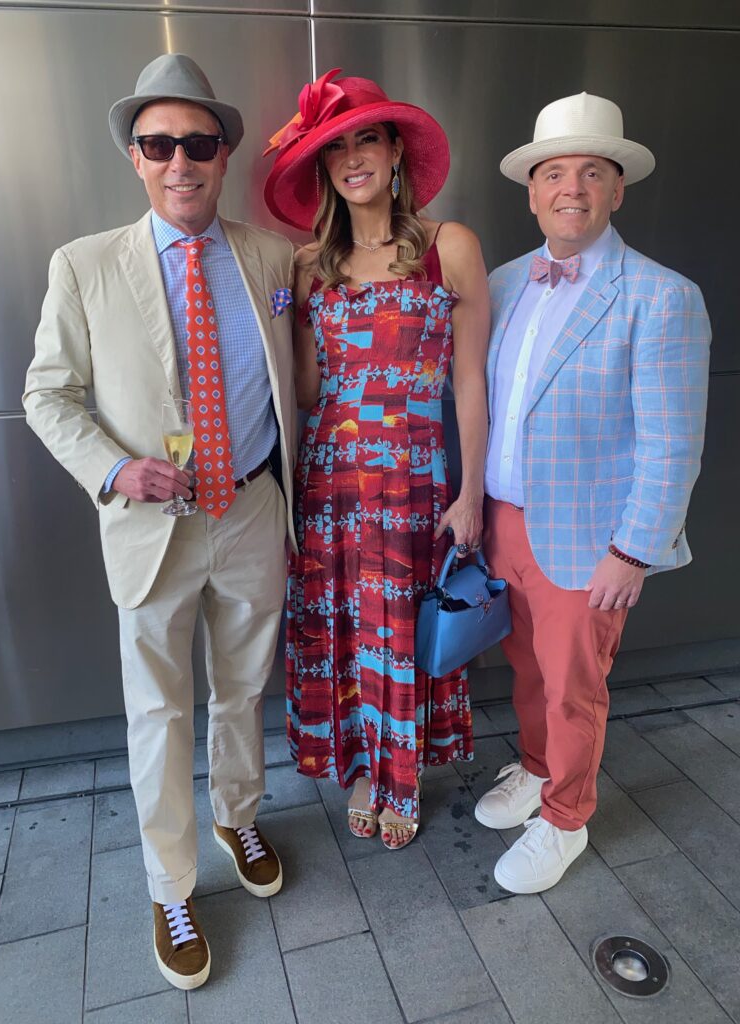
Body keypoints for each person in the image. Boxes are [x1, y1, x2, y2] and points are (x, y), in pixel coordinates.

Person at [23, 53, 298, 989]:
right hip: (153, 528)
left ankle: (237, 812)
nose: (181, 161)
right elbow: (48, 396)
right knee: (157, 711)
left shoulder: (270, 256)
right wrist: (112, 468)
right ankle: (170, 882)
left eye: (198, 143)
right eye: (158, 144)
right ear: (134, 159)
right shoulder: (85, 265)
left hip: (254, 506)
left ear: (224, 154)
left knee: (244, 689)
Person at [474, 92, 711, 892]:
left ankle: (567, 817)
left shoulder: (660, 295)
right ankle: (538, 770)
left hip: (591, 540)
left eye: (591, 172)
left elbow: (673, 441)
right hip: (506, 524)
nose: (570, 187)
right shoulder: (504, 283)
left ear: (617, 188)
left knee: (575, 687)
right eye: (553, 173)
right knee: (528, 670)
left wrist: (633, 551)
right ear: (531, 190)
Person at [263, 69, 490, 850]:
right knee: (346, 632)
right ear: (322, 168)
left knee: (399, 630)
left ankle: (404, 776)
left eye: (368, 138)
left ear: (395, 151)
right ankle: (361, 766)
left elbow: (470, 379)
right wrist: (276, 317)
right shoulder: (306, 267)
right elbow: (304, 390)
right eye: (337, 148)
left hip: (415, 482)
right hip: (330, 483)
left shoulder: (447, 248)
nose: (354, 157)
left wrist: (472, 494)